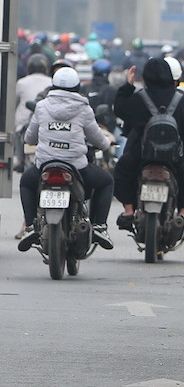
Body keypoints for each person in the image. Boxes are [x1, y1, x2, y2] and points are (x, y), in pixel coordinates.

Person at [16, 67, 116, 252]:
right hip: (77, 167)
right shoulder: (83, 109)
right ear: (77, 87)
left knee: (26, 182)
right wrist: (106, 144)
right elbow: (98, 139)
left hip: (45, 165)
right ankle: (100, 226)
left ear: (52, 86)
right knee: (106, 181)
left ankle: (30, 226)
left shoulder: (42, 106)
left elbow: (29, 138)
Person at [112, 58, 184, 236]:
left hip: (142, 156)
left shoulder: (138, 98)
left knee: (122, 170)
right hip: (175, 158)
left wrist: (128, 86)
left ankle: (129, 211)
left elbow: (120, 110)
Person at [15, 54, 52, 138]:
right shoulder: (51, 82)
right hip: (45, 125)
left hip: (21, 126)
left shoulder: (22, 82)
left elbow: (13, 104)